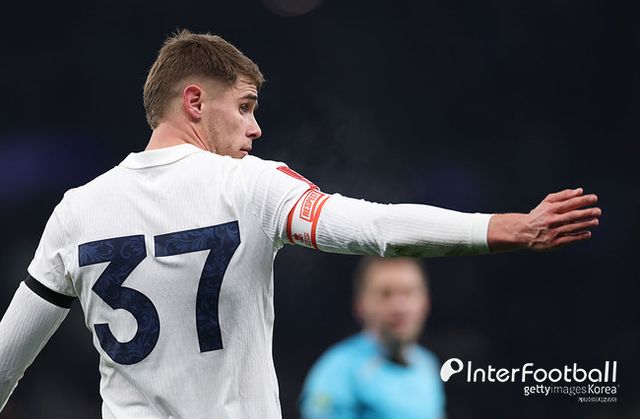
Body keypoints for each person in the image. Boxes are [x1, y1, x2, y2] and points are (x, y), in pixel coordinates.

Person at [0, 30, 601, 419]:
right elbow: (375, 227)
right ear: (194, 102)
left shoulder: (77, 209)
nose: (255, 128)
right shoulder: (250, 185)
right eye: (244, 107)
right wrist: (507, 227)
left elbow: (6, 360)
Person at [300, 257, 444, 419]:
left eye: (408, 292)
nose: (399, 307)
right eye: (385, 294)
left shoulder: (428, 365)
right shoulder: (338, 370)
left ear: (426, 302)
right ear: (360, 305)